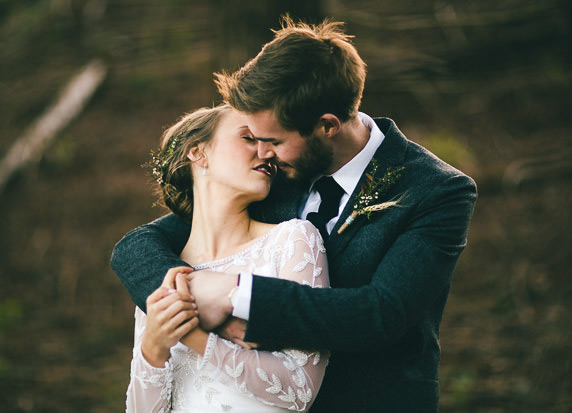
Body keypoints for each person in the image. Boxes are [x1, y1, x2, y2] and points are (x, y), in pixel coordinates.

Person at [113, 18, 477, 412]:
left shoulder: (435, 190)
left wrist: (237, 296)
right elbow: (137, 246)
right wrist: (188, 296)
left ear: (327, 126)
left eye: (272, 141)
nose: (263, 153)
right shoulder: (274, 175)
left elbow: (381, 314)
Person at [125, 104, 330, 412]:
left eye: (270, 143)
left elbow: (300, 389)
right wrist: (153, 349)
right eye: (249, 138)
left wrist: (195, 334)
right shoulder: (161, 276)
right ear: (198, 152)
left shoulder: (293, 241)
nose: (267, 153)